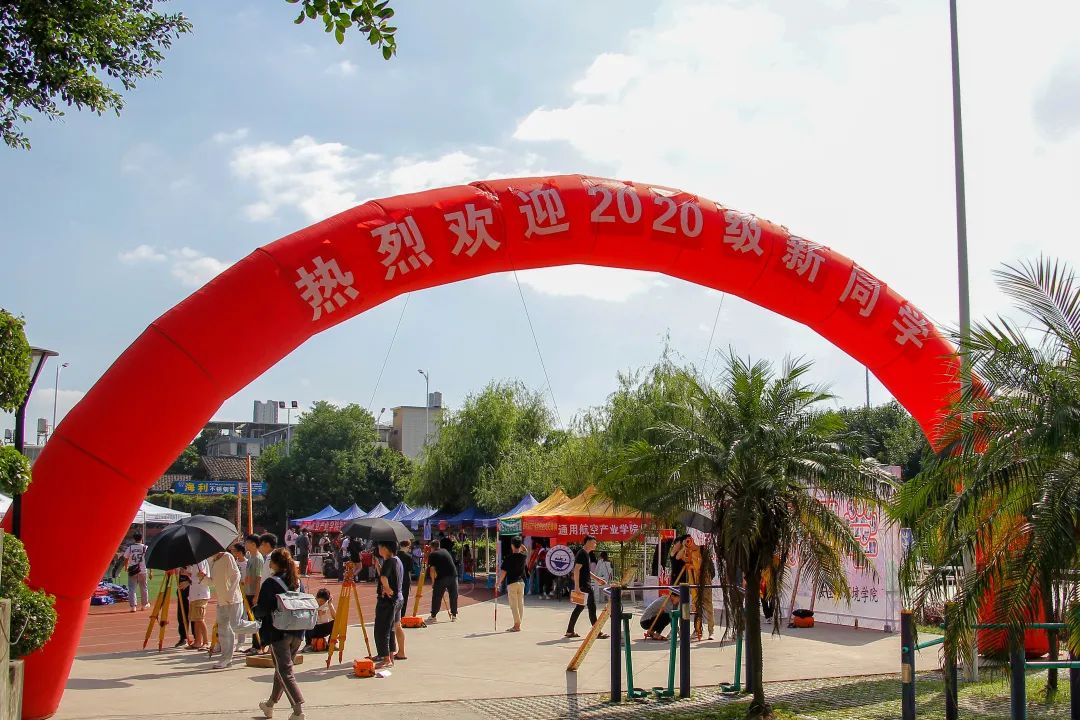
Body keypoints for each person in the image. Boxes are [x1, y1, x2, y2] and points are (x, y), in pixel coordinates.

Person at [255, 549, 306, 720]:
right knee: (282, 669)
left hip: (278, 632)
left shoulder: (271, 583)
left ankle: (298, 710)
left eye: (270, 561)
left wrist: (255, 612)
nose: (269, 563)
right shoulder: (297, 582)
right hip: (298, 630)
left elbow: (263, 608)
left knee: (285, 671)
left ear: (276, 563)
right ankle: (270, 704)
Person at [210, 549, 260, 669]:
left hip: (233, 600)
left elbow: (236, 575)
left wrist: (230, 594)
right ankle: (226, 659)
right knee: (224, 630)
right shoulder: (212, 561)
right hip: (221, 601)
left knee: (236, 625)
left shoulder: (227, 557)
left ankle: (260, 626)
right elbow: (213, 582)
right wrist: (202, 578)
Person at [565, 536, 608, 639]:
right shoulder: (582, 554)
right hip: (584, 586)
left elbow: (586, 571)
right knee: (592, 608)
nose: (595, 545)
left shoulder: (585, 554)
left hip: (584, 585)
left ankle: (570, 631)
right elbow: (576, 570)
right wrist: (577, 587)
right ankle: (596, 632)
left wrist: (597, 579)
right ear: (588, 542)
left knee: (579, 608)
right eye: (594, 542)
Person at [373, 541, 403, 669]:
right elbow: (387, 576)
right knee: (390, 629)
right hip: (397, 599)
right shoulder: (397, 560)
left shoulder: (389, 561)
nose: (378, 549)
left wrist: (387, 588)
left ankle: (386, 658)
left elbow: (384, 578)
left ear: (385, 548)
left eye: (380, 547)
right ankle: (390, 656)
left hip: (388, 600)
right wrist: (379, 568)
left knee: (381, 629)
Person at [497, 536, 528, 631]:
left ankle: (516, 625)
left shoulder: (508, 558)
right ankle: (518, 623)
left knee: (513, 605)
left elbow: (503, 572)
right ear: (520, 545)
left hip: (512, 583)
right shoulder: (523, 556)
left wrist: (498, 583)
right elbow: (525, 550)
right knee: (520, 604)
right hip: (521, 582)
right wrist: (520, 544)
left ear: (512, 546)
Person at [426, 537, 459, 623]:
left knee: (437, 596)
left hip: (442, 577)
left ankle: (433, 616)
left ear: (432, 547)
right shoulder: (445, 551)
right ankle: (454, 615)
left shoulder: (432, 555)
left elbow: (432, 570)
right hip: (453, 575)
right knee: (453, 595)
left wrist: (433, 582)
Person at [243, 534, 265, 655]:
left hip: (253, 593)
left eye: (247, 542)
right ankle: (254, 644)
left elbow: (258, 578)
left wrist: (257, 595)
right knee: (251, 619)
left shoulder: (257, 558)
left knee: (255, 619)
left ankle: (258, 646)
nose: (245, 545)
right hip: (248, 591)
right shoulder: (250, 556)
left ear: (253, 544)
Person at [393, 539, 414, 661]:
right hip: (405, 579)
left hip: (397, 580)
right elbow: (410, 569)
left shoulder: (395, 556)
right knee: (404, 599)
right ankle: (402, 616)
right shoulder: (408, 557)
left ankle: (399, 618)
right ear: (407, 546)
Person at [186, 558, 211, 650]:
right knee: (195, 619)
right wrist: (187, 573)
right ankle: (198, 641)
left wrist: (190, 580)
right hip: (194, 594)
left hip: (200, 594)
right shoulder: (193, 563)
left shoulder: (201, 561)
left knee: (200, 619)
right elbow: (194, 575)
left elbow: (202, 576)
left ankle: (206, 642)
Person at [122, 532, 151, 612]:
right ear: (141, 538)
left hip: (132, 570)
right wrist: (151, 571)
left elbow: (126, 558)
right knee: (144, 588)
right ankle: (144, 605)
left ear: (134, 539)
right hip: (143, 570)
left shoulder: (130, 547)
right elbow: (149, 559)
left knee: (132, 588)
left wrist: (126, 567)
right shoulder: (145, 547)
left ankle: (133, 606)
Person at [174, 567, 194, 648]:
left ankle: (197, 637)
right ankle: (183, 638)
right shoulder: (179, 562)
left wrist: (189, 581)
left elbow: (201, 575)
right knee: (181, 615)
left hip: (193, 590)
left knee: (194, 615)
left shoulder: (195, 562)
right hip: (181, 590)